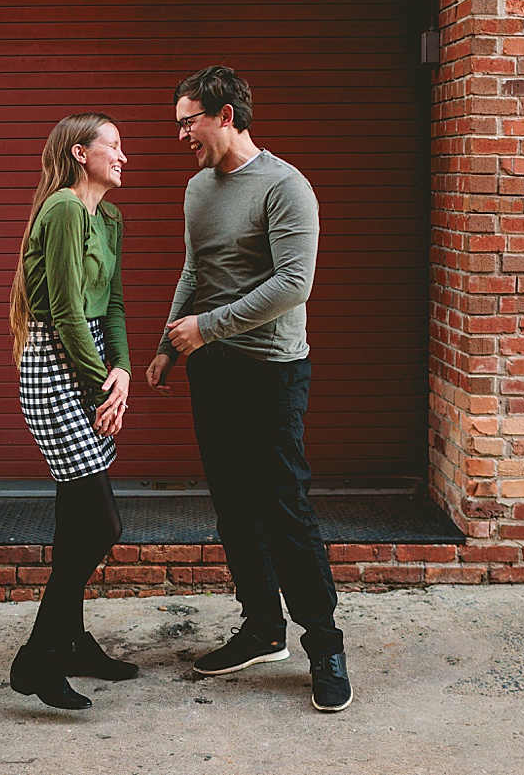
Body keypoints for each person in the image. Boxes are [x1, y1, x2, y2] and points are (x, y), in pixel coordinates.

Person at [145, 66, 352, 712]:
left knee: (284, 507)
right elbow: (196, 268)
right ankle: (263, 626)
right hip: (213, 368)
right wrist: (166, 346)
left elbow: (294, 283)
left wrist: (206, 327)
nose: (182, 134)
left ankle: (324, 642)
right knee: (233, 505)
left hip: (271, 369)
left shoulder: (286, 188)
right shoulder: (197, 189)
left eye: (189, 121)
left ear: (226, 114)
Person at [8, 113, 138, 710]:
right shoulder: (62, 210)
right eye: (113, 145)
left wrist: (123, 375)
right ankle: (41, 655)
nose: (123, 155)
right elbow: (63, 314)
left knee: (73, 522)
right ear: (81, 153)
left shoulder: (107, 218)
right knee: (101, 525)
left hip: (89, 369)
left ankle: (75, 641)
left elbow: (110, 307)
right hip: (55, 371)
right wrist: (97, 386)